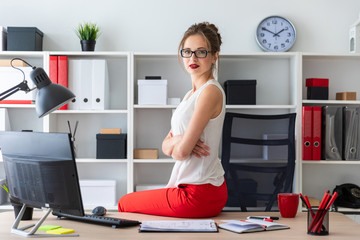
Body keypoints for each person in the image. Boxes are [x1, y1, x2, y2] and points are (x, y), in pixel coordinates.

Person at [118, 22, 227, 218]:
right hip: (192, 187)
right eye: (187, 51)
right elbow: (166, 145)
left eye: (201, 52)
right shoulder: (189, 96)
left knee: (124, 203)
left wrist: (179, 143)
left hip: (199, 192)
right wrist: (178, 140)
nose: (192, 58)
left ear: (214, 56)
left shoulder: (210, 91)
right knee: (129, 205)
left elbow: (181, 153)